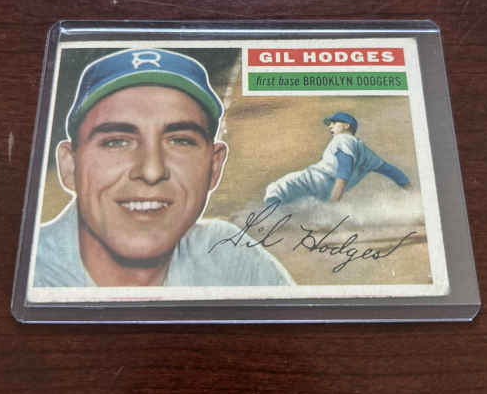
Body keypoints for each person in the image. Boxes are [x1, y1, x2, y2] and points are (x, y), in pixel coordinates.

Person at [34, 48, 293, 287]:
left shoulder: (228, 257)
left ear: (214, 167)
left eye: (180, 141)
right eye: (117, 142)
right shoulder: (28, 271)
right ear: (69, 166)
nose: (151, 171)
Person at [264, 111, 410, 206]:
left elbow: (345, 168)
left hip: (315, 179)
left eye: (334, 123)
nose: (330, 127)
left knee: (276, 189)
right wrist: (411, 192)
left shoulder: (342, 139)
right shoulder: (366, 152)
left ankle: (270, 219)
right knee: (302, 207)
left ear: (346, 125)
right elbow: (391, 171)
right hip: (327, 190)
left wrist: (335, 201)